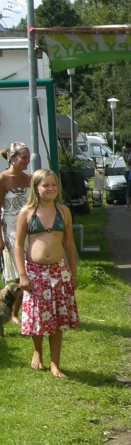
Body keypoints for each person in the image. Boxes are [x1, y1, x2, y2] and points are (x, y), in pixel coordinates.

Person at [14, 169, 79, 377]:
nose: (50, 188)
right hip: (35, 271)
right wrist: (22, 274)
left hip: (58, 270)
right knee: (39, 315)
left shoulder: (63, 211)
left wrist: (74, 273)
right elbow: (18, 245)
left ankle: (55, 363)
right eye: (46, 185)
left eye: (54, 185)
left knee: (58, 317)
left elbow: (69, 243)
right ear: (36, 188)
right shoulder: (27, 212)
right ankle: (37, 352)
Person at [0, 142, 32, 285]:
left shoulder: (30, 178)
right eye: (24, 157)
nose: (27, 161)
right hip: (11, 225)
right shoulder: (3, 179)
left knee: (32, 263)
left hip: (30, 224)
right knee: (19, 267)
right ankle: (20, 295)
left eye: (28, 157)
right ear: (12, 158)